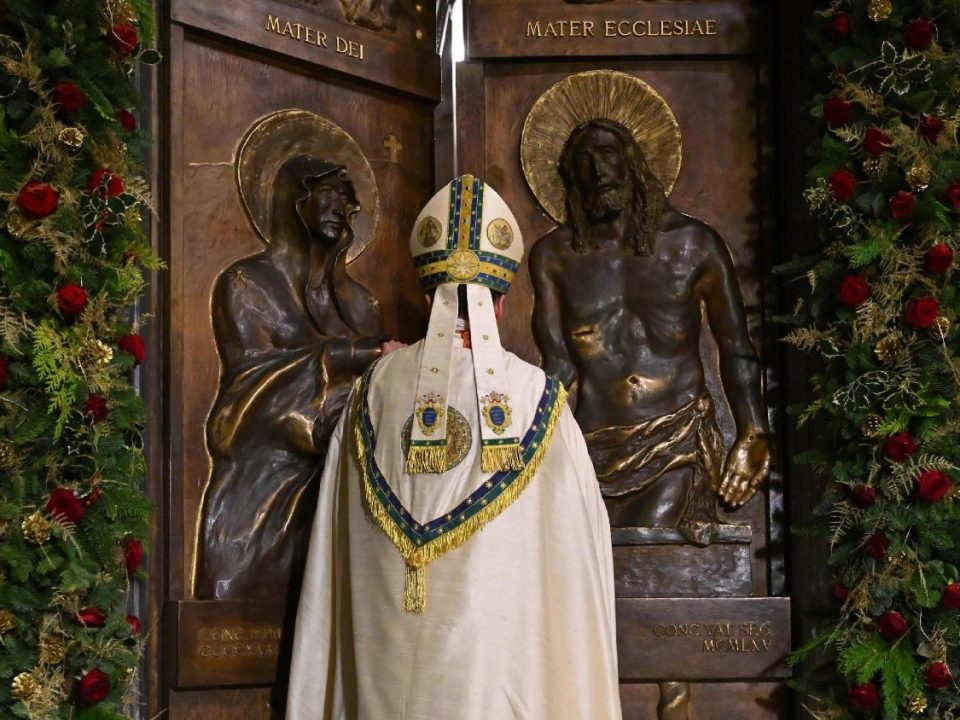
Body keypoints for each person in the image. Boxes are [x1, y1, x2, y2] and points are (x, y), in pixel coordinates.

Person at [286, 175, 621, 719]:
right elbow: (575, 556)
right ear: (502, 303)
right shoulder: (537, 397)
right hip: (498, 664)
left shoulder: (373, 389)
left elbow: (335, 541)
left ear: (428, 298)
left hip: (383, 650)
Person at [530, 118, 771, 545]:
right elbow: (559, 367)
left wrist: (752, 431)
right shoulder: (555, 256)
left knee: (649, 544)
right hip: (590, 444)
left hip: (676, 438)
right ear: (571, 177)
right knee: (584, 556)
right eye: (584, 161)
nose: (597, 171)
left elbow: (736, 347)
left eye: (607, 154)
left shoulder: (695, 244)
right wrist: (522, 444)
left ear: (632, 163)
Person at [196, 156, 397, 600]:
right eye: (327, 192)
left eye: (346, 197)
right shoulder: (247, 284)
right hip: (263, 487)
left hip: (343, 488)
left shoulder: (361, 305)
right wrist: (356, 354)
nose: (341, 207)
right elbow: (251, 388)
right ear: (292, 198)